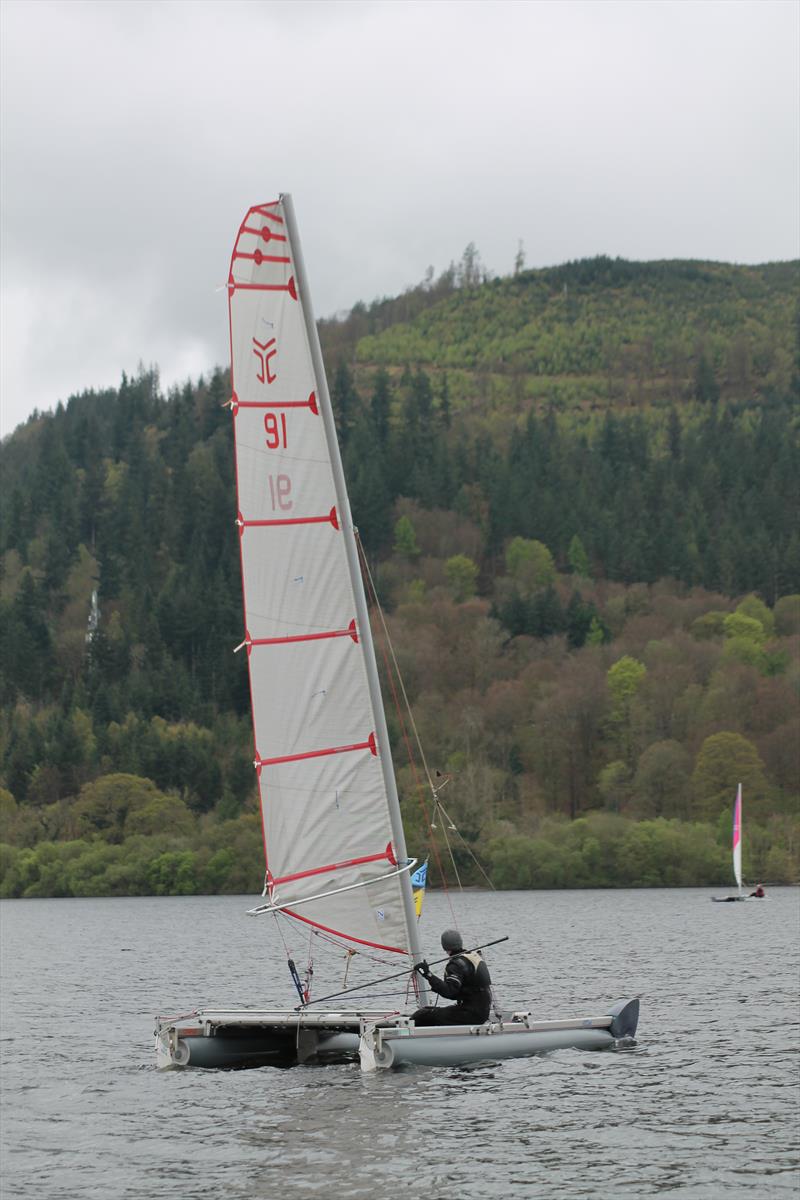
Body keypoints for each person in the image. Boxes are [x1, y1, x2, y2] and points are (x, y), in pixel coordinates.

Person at [411, 929, 492, 1026]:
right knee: (427, 1010)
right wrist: (438, 986)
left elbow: (449, 992)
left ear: (444, 946)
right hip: (481, 1011)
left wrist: (428, 974)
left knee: (420, 1016)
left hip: (471, 1014)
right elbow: (456, 993)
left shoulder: (456, 965)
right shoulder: (471, 957)